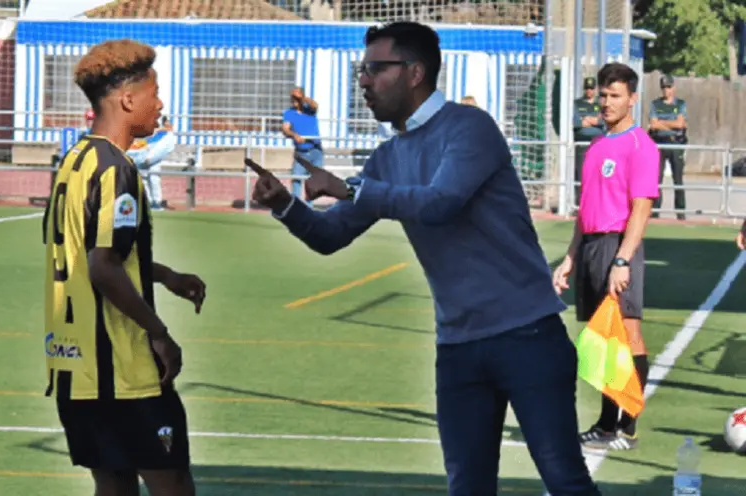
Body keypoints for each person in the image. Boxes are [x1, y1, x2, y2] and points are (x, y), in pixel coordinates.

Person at [246, 21, 599, 496]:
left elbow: (440, 202)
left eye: (375, 69)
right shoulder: (387, 156)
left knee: (565, 481)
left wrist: (352, 187)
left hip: (528, 334)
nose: (364, 81)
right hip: (457, 347)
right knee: (467, 487)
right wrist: (284, 206)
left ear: (414, 72)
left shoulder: (469, 126)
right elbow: (331, 236)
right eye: (361, 70)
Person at [42, 38, 206, 496]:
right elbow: (103, 267)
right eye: (155, 94)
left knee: (112, 484)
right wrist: (159, 332)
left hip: (73, 366)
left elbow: (91, 252)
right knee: (172, 483)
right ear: (128, 99)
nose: (160, 105)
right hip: (123, 368)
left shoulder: (75, 162)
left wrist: (165, 275)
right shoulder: (118, 171)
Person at [553, 63, 658, 452]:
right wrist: (570, 258)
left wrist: (623, 260)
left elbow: (642, 208)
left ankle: (626, 425)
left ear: (632, 98)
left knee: (627, 333)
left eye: (616, 95)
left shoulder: (640, 145)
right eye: (603, 94)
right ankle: (605, 424)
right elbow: (586, 210)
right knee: (602, 340)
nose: (607, 101)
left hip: (618, 246)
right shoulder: (596, 146)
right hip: (593, 246)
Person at [648, 74, 688, 220]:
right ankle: (655, 210)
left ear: (674, 88)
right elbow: (653, 124)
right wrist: (670, 124)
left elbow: (681, 124)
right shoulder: (655, 104)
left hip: (676, 143)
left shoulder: (680, 104)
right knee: (656, 179)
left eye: (669, 87)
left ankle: (680, 211)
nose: (666, 90)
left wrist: (662, 124)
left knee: (678, 179)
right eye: (664, 87)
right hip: (659, 144)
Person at [280, 87, 323, 201]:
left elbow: (315, 105)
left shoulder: (309, 110)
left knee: (315, 182)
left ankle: (309, 207)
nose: (294, 100)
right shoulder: (289, 113)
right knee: (296, 180)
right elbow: (285, 129)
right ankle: (296, 206)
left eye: (296, 98)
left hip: (315, 151)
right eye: (292, 97)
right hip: (301, 152)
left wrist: (302, 97)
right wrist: (294, 135)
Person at [127, 116, 176, 211]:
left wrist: (150, 157)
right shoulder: (157, 131)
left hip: (152, 157)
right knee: (144, 178)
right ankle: (148, 201)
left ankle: (156, 201)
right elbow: (146, 142)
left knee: (154, 178)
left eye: (169, 122)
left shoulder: (167, 134)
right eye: (166, 121)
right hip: (144, 155)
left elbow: (161, 147)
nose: (167, 123)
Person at [573, 76, 605, 206]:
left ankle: (598, 203)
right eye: (587, 88)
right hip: (582, 143)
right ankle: (580, 203)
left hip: (598, 143)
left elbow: (603, 121)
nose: (589, 91)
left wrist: (588, 120)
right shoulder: (577, 103)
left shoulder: (601, 103)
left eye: (592, 88)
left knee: (599, 174)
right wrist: (593, 121)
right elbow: (576, 122)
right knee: (581, 174)